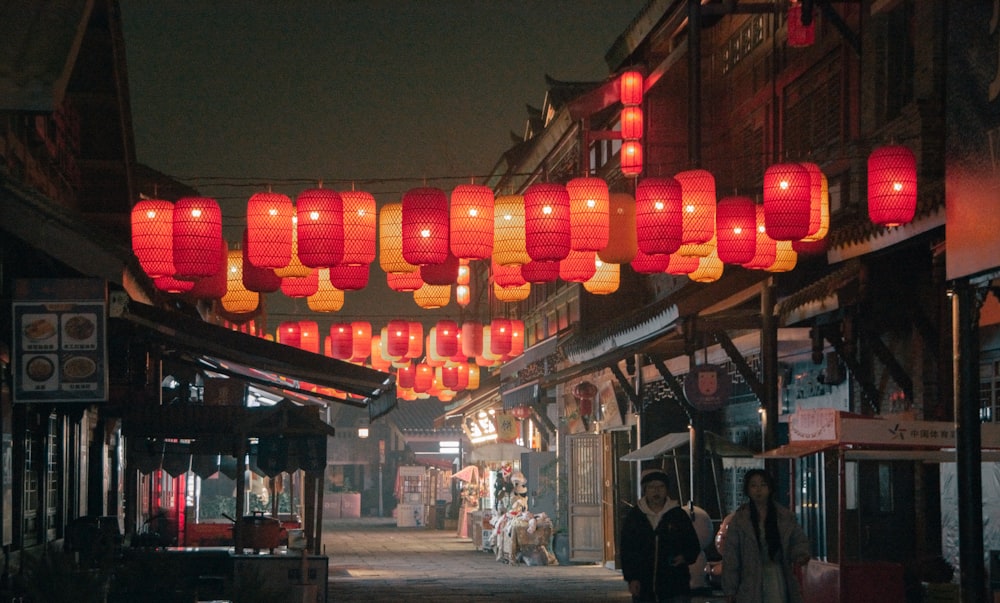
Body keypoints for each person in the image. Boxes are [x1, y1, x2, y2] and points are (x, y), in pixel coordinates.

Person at [722, 469, 811, 603]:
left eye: (763, 485)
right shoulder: (739, 520)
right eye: (753, 485)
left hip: (776, 574)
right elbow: (731, 556)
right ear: (747, 489)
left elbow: (798, 540)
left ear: (770, 488)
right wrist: (730, 589)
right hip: (750, 580)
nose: (758, 490)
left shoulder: (784, 517)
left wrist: (800, 554)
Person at [621, 469, 702, 603]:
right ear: (645, 490)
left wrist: (684, 557)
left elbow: (693, 544)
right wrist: (631, 577)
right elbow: (627, 550)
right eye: (652, 487)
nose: (656, 491)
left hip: (675, 584)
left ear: (666, 490)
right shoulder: (635, 517)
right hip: (644, 584)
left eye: (661, 487)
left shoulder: (677, 515)